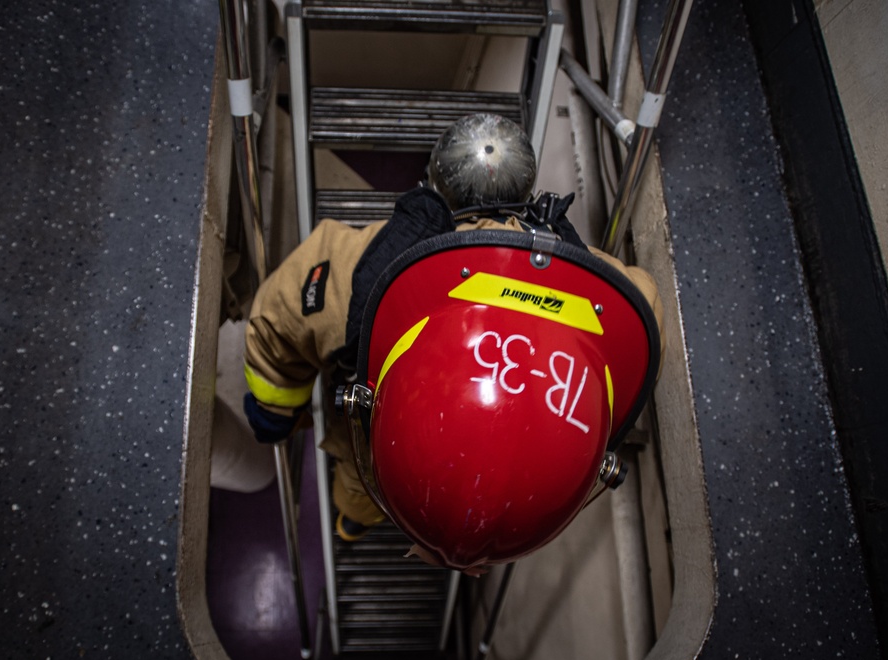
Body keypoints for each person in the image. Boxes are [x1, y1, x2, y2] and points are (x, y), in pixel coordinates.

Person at [242, 113, 664, 570]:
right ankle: (362, 515)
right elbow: (642, 311)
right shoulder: (606, 292)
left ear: (433, 185)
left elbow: (276, 323)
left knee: (359, 483)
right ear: (526, 195)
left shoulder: (355, 271)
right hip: (521, 504)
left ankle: (356, 518)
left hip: (382, 454)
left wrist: (275, 412)